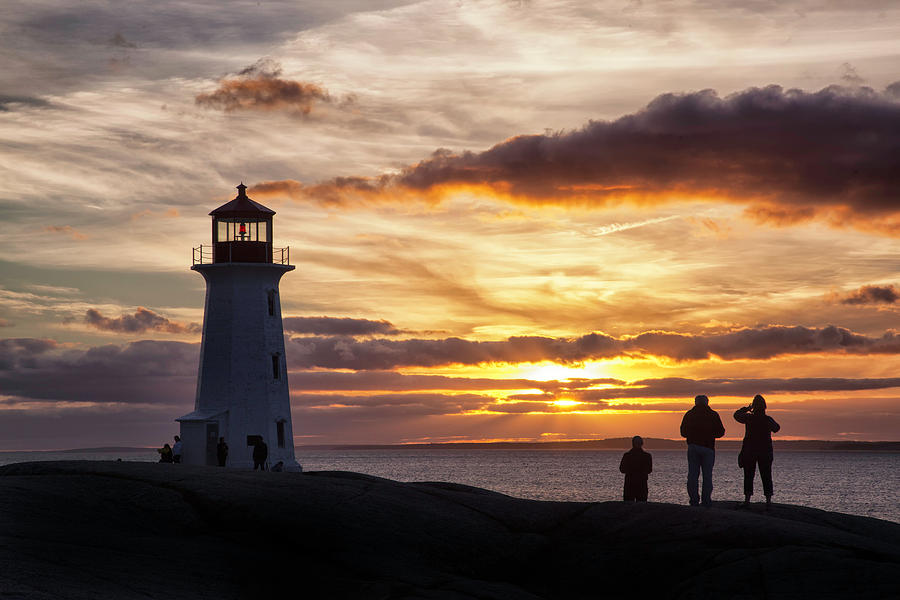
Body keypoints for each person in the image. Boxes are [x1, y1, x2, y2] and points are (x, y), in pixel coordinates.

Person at [734, 394, 781, 508]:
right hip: (765, 451)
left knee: (748, 475)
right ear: (764, 406)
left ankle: (747, 500)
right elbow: (777, 428)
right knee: (766, 476)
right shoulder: (767, 419)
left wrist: (746, 409)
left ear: (754, 406)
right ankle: (768, 501)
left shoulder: (749, 418)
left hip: (750, 451)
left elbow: (736, 415)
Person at [680, 394, 726, 507]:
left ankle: (694, 501)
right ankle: (706, 500)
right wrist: (710, 435)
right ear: (707, 402)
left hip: (693, 447)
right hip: (708, 447)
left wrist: (692, 435)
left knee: (692, 475)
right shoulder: (713, 415)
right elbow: (721, 432)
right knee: (707, 476)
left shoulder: (689, 414)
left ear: (695, 402)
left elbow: (683, 432)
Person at [619, 435, 652, 502]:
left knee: (628, 506)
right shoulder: (647, 456)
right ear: (642, 443)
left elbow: (622, 469)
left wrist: (631, 471)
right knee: (641, 507)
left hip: (630, 485)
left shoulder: (627, 455)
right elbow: (649, 470)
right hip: (641, 485)